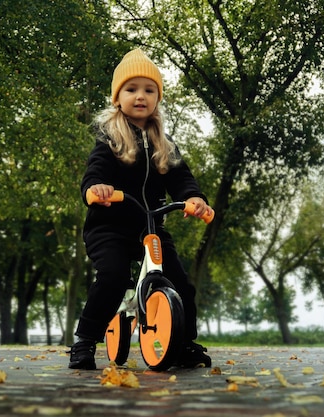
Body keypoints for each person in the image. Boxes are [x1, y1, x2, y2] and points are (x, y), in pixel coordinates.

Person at [68, 48, 213, 370]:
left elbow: (181, 177)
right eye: (131, 89)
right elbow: (96, 170)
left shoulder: (163, 142)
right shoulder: (110, 138)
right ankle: (84, 341)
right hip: (109, 226)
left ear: (157, 99)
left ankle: (185, 342)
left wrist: (195, 199)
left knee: (180, 282)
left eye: (149, 90)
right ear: (117, 97)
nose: (140, 96)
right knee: (113, 276)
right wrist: (96, 189)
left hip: (150, 227)